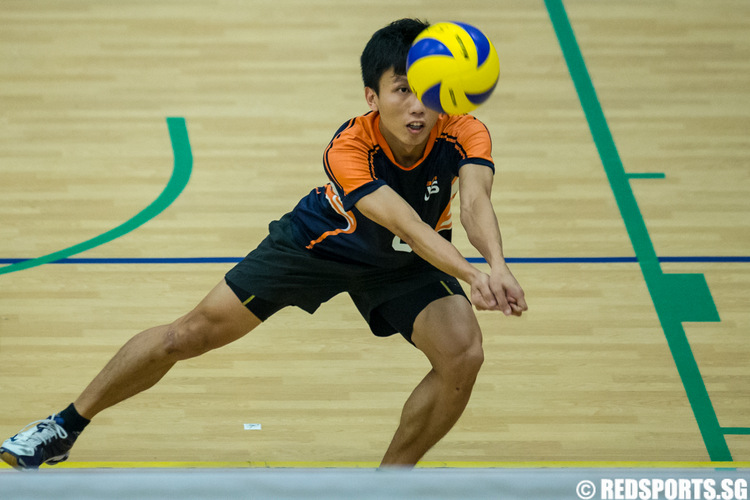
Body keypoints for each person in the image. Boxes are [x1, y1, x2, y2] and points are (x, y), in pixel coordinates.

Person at [0, 18, 526, 470]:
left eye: (426, 90)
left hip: (404, 264)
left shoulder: (464, 130)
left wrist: (496, 263)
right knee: (186, 336)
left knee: (464, 354)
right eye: (401, 89)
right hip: (321, 243)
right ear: (372, 97)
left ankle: (390, 483)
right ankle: (63, 426)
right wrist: (474, 275)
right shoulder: (349, 147)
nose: (417, 106)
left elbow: (476, 202)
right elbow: (408, 223)